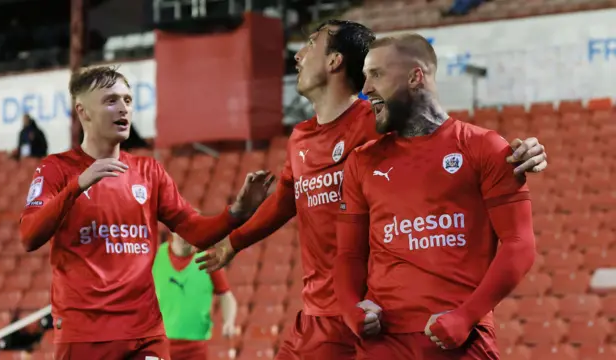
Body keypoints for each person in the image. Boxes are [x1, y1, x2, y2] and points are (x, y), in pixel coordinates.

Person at [196, 20, 547, 360]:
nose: (298, 56)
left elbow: (434, 132)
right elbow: (288, 200)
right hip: (333, 312)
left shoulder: (376, 122)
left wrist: (524, 150)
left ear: (335, 61)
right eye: (368, 76)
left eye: (311, 44)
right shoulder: (304, 139)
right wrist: (234, 239)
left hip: (383, 318)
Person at [18, 66, 273, 360]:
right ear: (83, 111)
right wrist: (77, 185)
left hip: (145, 334)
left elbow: (194, 231)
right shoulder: (55, 169)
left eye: (128, 100)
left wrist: (237, 213)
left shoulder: (149, 171)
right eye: (111, 100)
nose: (123, 108)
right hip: (85, 335)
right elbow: (28, 236)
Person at [333, 34, 535, 359]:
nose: (365, 88)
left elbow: (520, 245)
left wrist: (466, 316)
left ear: (415, 77)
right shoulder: (361, 161)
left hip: (460, 338)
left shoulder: (484, 147)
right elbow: (348, 255)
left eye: (377, 74)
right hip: (384, 342)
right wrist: (350, 310)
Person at [153, 233, 237, 360]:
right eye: (181, 230)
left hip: (195, 347)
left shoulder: (209, 260)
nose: (184, 236)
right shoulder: (155, 256)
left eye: (191, 231)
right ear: (172, 230)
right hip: (158, 343)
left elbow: (226, 296)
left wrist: (229, 321)